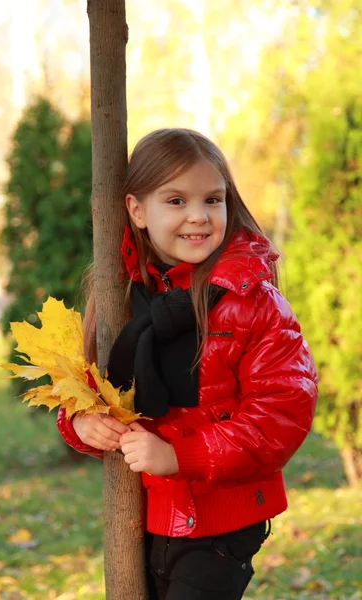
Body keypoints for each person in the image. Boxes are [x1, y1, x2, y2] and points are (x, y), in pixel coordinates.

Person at [57, 128, 318, 600]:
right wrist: (82, 422)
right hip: (144, 517)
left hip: (221, 523)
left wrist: (182, 456)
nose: (198, 216)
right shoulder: (123, 296)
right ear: (137, 210)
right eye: (175, 200)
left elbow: (282, 414)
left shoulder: (253, 301)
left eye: (212, 200)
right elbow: (90, 388)